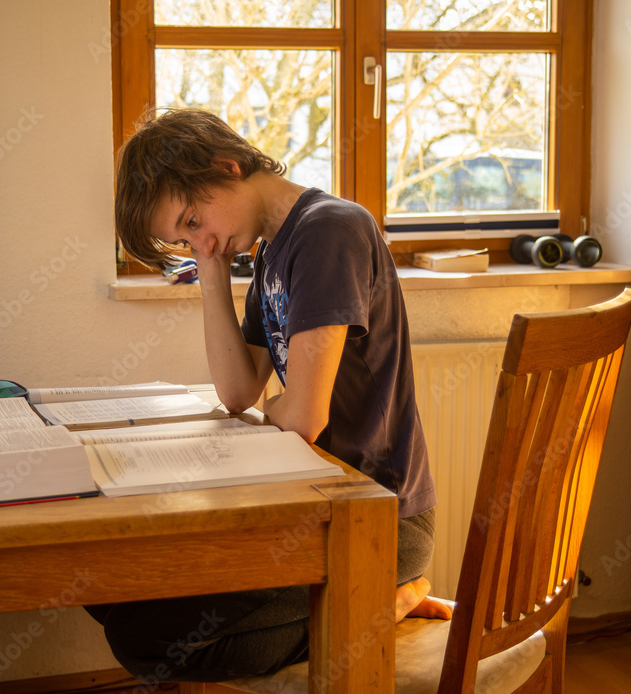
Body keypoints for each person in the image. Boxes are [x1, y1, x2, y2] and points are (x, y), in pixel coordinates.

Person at [87, 108, 451, 684]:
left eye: (192, 219)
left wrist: (277, 412)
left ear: (226, 166)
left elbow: (302, 417)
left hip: (374, 522)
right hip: (311, 504)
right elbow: (238, 393)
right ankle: (371, 603)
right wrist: (212, 266)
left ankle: (383, 600)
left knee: (144, 636)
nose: (198, 241)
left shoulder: (330, 230)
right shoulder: (269, 252)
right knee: (112, 586)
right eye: (183, 239)